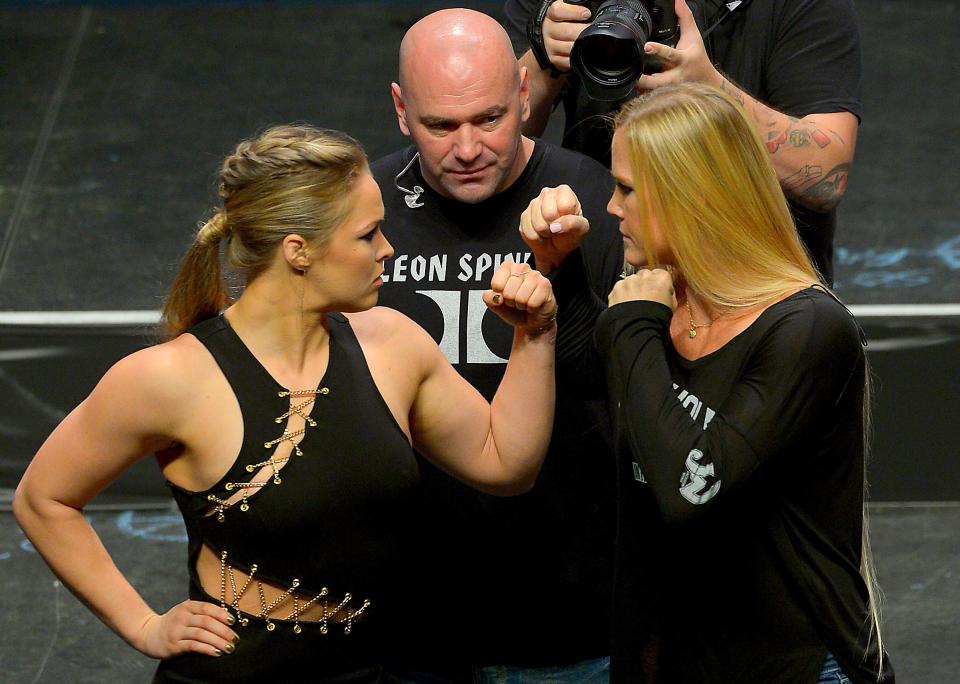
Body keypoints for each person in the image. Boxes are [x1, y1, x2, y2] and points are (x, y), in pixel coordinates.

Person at [13, 125, 560, 683]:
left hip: (374, 670)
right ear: (298, 251)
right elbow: (44, 499)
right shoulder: (170, 378)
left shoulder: (392, 343)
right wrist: (142, 625)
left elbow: (505, 463)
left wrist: (535, 334)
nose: (388, 250)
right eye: (368, 235)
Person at [520, 83, 893, 682]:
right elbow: (598, 382)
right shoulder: (665, 300)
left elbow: (691, 489)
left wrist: (634, 324)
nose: (612, 209)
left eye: (627, 189)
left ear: (690, 196)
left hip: (793, 666)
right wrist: (559, 272)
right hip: (682, 657)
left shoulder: (805, 328)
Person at [370, 8, 623, 682]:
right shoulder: (363, 215)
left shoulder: (599, 201)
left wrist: (562, 280)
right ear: (401, 109)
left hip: (571, 619)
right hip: (407, 628)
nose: (468, 147)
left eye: (488, 118)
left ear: (521, 91)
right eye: (440, 125)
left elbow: (636, 383)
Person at [505, 0, 862, 283]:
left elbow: (826, 175)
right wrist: (542, 59)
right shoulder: (564, 3)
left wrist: (711, 89)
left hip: (748, 293)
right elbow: (490, 137)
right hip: (603, 276)